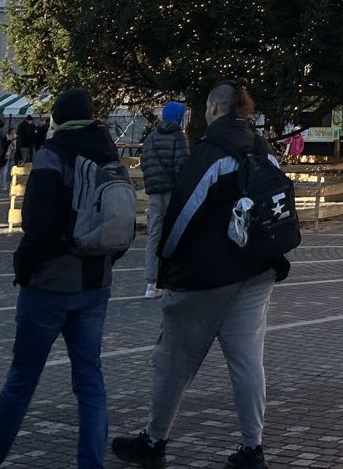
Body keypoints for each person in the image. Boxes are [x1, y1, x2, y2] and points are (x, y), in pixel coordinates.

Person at [0, 89, 125, 469]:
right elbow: (119, 224)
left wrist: (30, 264)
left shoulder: (53, 154)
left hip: (49, 283)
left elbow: (35, 223)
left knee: (22, 379)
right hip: (95, 283)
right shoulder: (110, 156)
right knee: (90, 381)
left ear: (58, 118)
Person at [111, 82, 291, 469]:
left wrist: (165, 265)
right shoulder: (262, 149)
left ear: (213, 108)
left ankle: (154, 439)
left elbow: (183, 214)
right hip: (258, 269)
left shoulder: (210, 152)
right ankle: (251, 448)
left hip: (208, 275)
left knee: (173, 360)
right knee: (247, 361)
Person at [140, 101, 190, 300]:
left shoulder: (151, 137)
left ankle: (151, 283)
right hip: (172, 192)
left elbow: (145, 163)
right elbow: (182, 165)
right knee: (175, 234)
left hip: (154, 193)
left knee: (154, 235)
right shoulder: (179, 136)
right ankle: (174, 279)